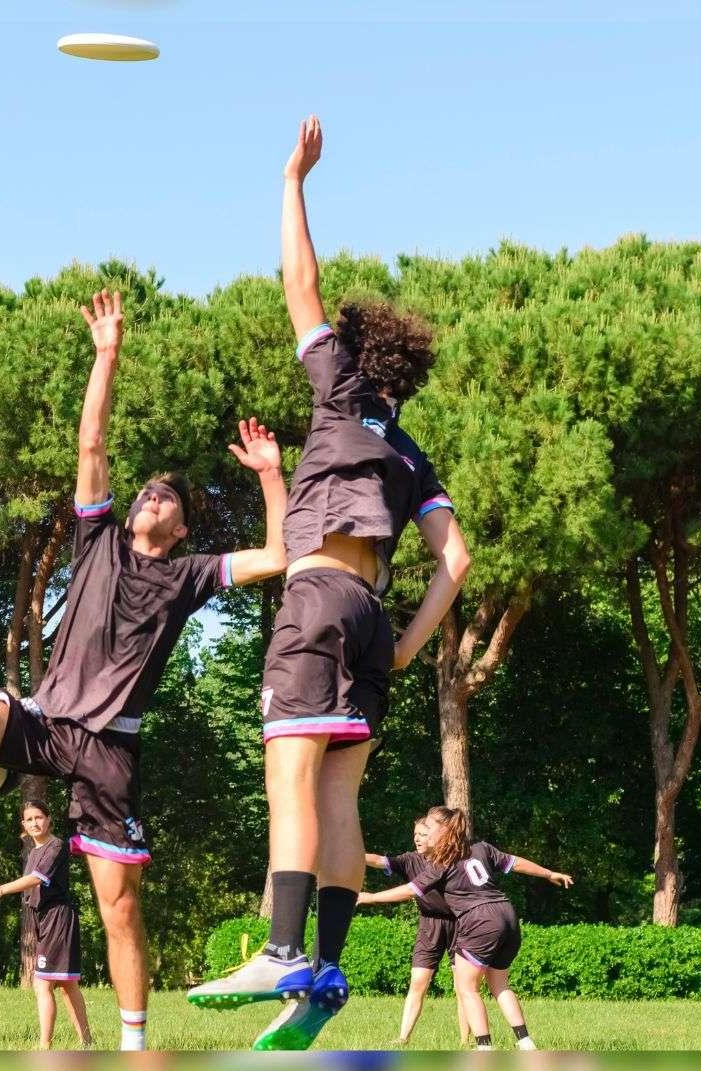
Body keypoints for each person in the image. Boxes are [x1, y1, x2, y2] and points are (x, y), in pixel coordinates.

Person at [0, 289, 290, 1051]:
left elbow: (276, 556)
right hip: (44, 723)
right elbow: (89, 447)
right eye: (146, 490)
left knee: (119, 907)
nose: (151, 497)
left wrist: (271, 475)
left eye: (165, 499)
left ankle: (134, 1045)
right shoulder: (97, 542)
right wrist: (104, 355)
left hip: (110, 748)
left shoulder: (189, 576)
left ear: (178, 527)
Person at [187, 115, 471, 1051]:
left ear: (356, 356)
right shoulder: (409, 447)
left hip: (312, 601)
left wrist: (290, 181)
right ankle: (332, 967)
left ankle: (280, 951)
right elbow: (455, 561)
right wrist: (402, 641)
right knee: (339, 796)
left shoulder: (337, 390)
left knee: (288, 782)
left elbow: (297, 283)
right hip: (369, 616)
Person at [358, 806, 574, 1051]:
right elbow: (515, 863)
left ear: (444, 830)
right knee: (500, 984)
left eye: (429, 827)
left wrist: (370, 897)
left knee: (466, 987)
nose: (424, 832)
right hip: (506, 913)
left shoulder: (443, 859)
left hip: (479, 920)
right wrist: (548, 873)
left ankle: (484, 1049)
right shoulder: (482, 847)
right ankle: (526, 1043)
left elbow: (411, 890)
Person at [0, 802, 94, 1049]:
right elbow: (30, 888)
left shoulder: (56, 846)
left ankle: (44, 1046)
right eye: (29, 820)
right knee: (67, 985)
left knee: (43, 984)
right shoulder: (33, 853)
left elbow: (35, 879)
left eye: (39, 817)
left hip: (58, 919)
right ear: (23, 825)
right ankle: (87, 1042)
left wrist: (0, 889)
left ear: (48, 819)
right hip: (43, 920)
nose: (34, 823)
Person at [363, 817, 470, 1045]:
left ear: (437, 836)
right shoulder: (409, 860)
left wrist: (370, 898)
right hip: (429, 925)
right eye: (415, 834)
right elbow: (380, 861)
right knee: (418, 982)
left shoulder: (453, 858)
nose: (417, 839)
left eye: (422, 834)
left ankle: (466, 1041)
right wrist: (354, 855)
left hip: (460, 924)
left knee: (463, 986)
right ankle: (402, 1038)